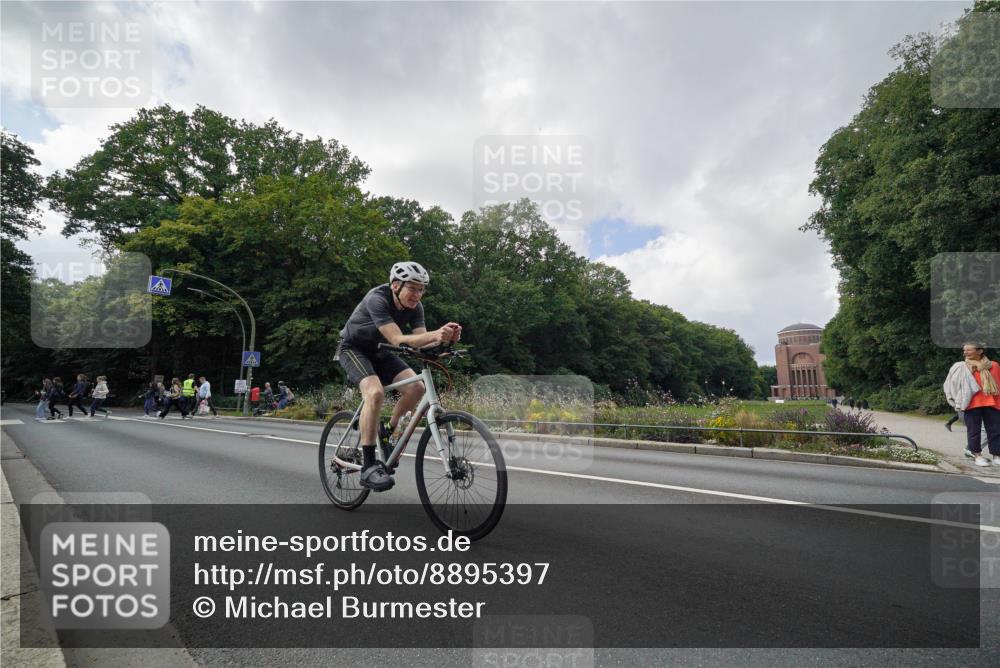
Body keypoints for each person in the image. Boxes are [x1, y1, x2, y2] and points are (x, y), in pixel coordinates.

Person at [335, 261, 461, 491]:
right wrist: (435, 334)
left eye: (421, 289)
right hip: (354, 349)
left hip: (382, 352)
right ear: (395, 285)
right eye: (412, 288)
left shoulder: (416, 307)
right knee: (375, 393)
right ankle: (369, 467)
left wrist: (444, 340)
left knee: (417, 388)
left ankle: (387, 431)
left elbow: (421, 341)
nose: (417, 294)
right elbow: (397, 339)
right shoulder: (377, 298)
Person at [944, 342, 1000, 467]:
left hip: (993, 403)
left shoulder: (994, 366)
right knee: (974, 431)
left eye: (969, 350)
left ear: (980, 351)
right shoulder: (962, 367)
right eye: (964, 350)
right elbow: (953, 385)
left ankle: (997, 456)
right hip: (971, 403)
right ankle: (977, 456)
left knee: (995, 431)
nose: (965, 353)